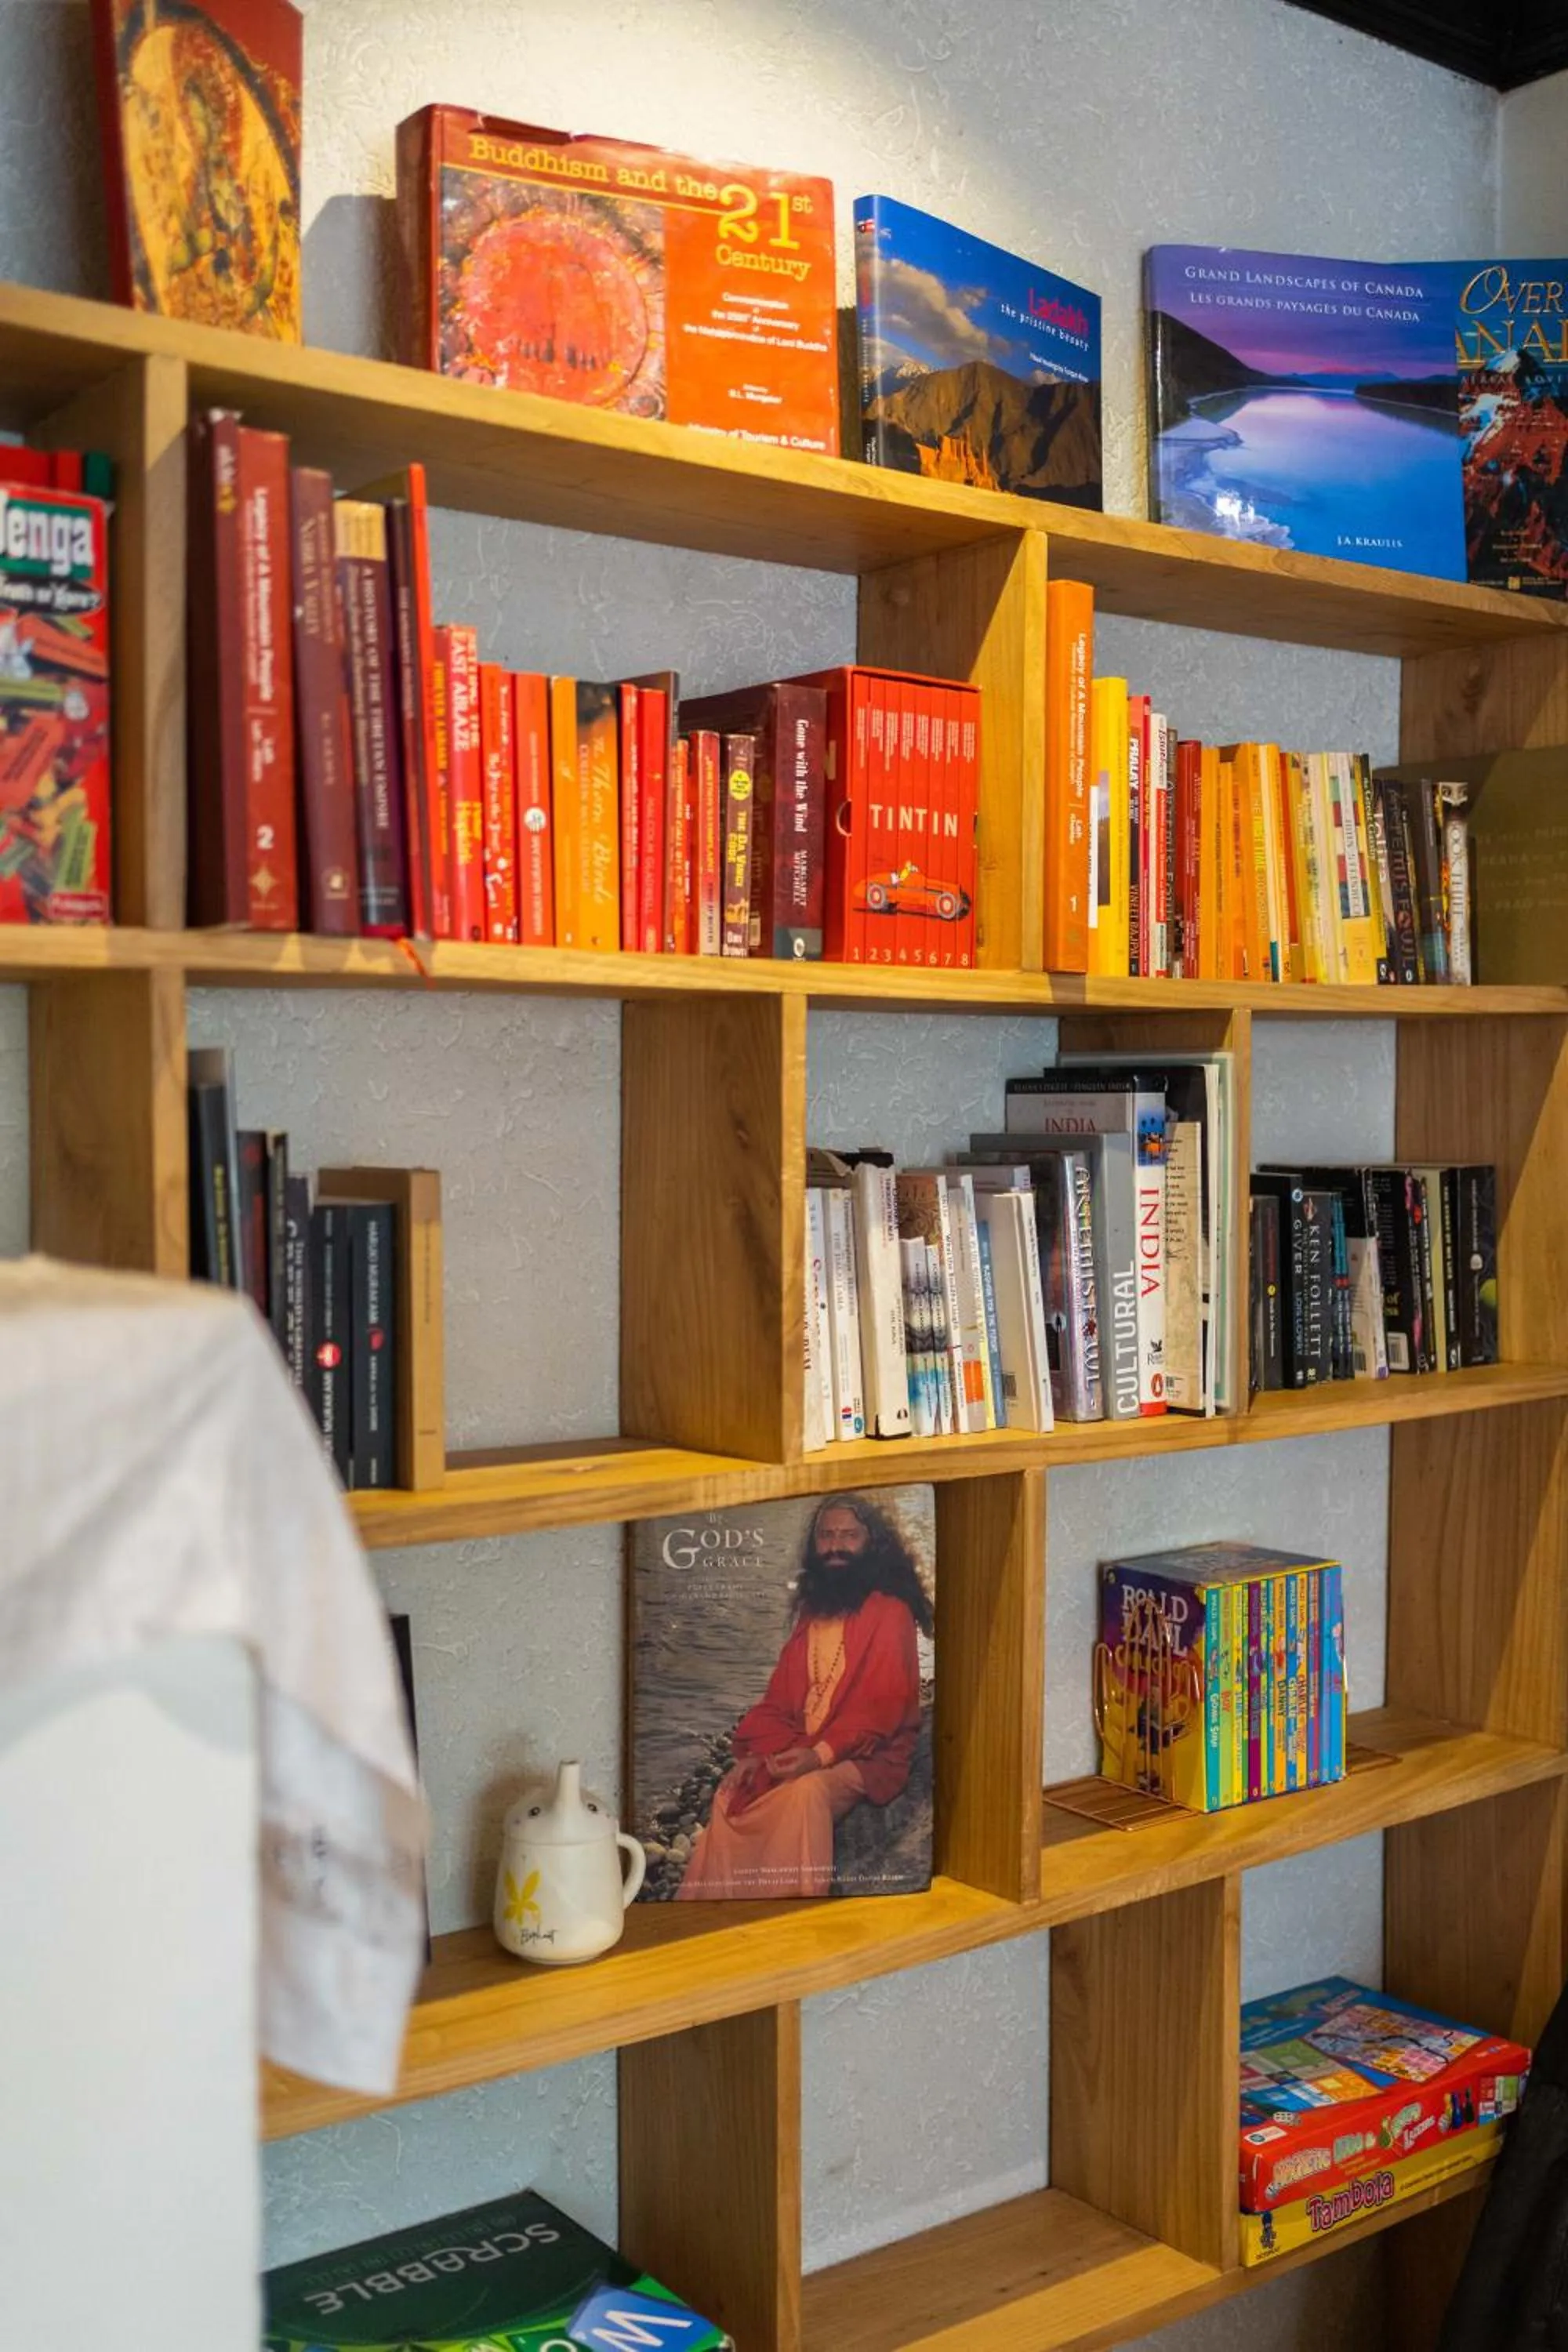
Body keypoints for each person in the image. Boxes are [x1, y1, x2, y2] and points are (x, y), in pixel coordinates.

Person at [677, 1494, 932, 1900]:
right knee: (729, 1794)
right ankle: (720, 1913)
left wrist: (818, 1756)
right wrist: (757, 1755)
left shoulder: (891, 1612)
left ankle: (788, 1913)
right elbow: (779, 1698)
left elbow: (881, 1711)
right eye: (826, 1536)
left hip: (868, 1756)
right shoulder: (814, 1611)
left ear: (872, 1543)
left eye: (848, 1535)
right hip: (804, 1743)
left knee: (804, 1792)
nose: (835, 1546)